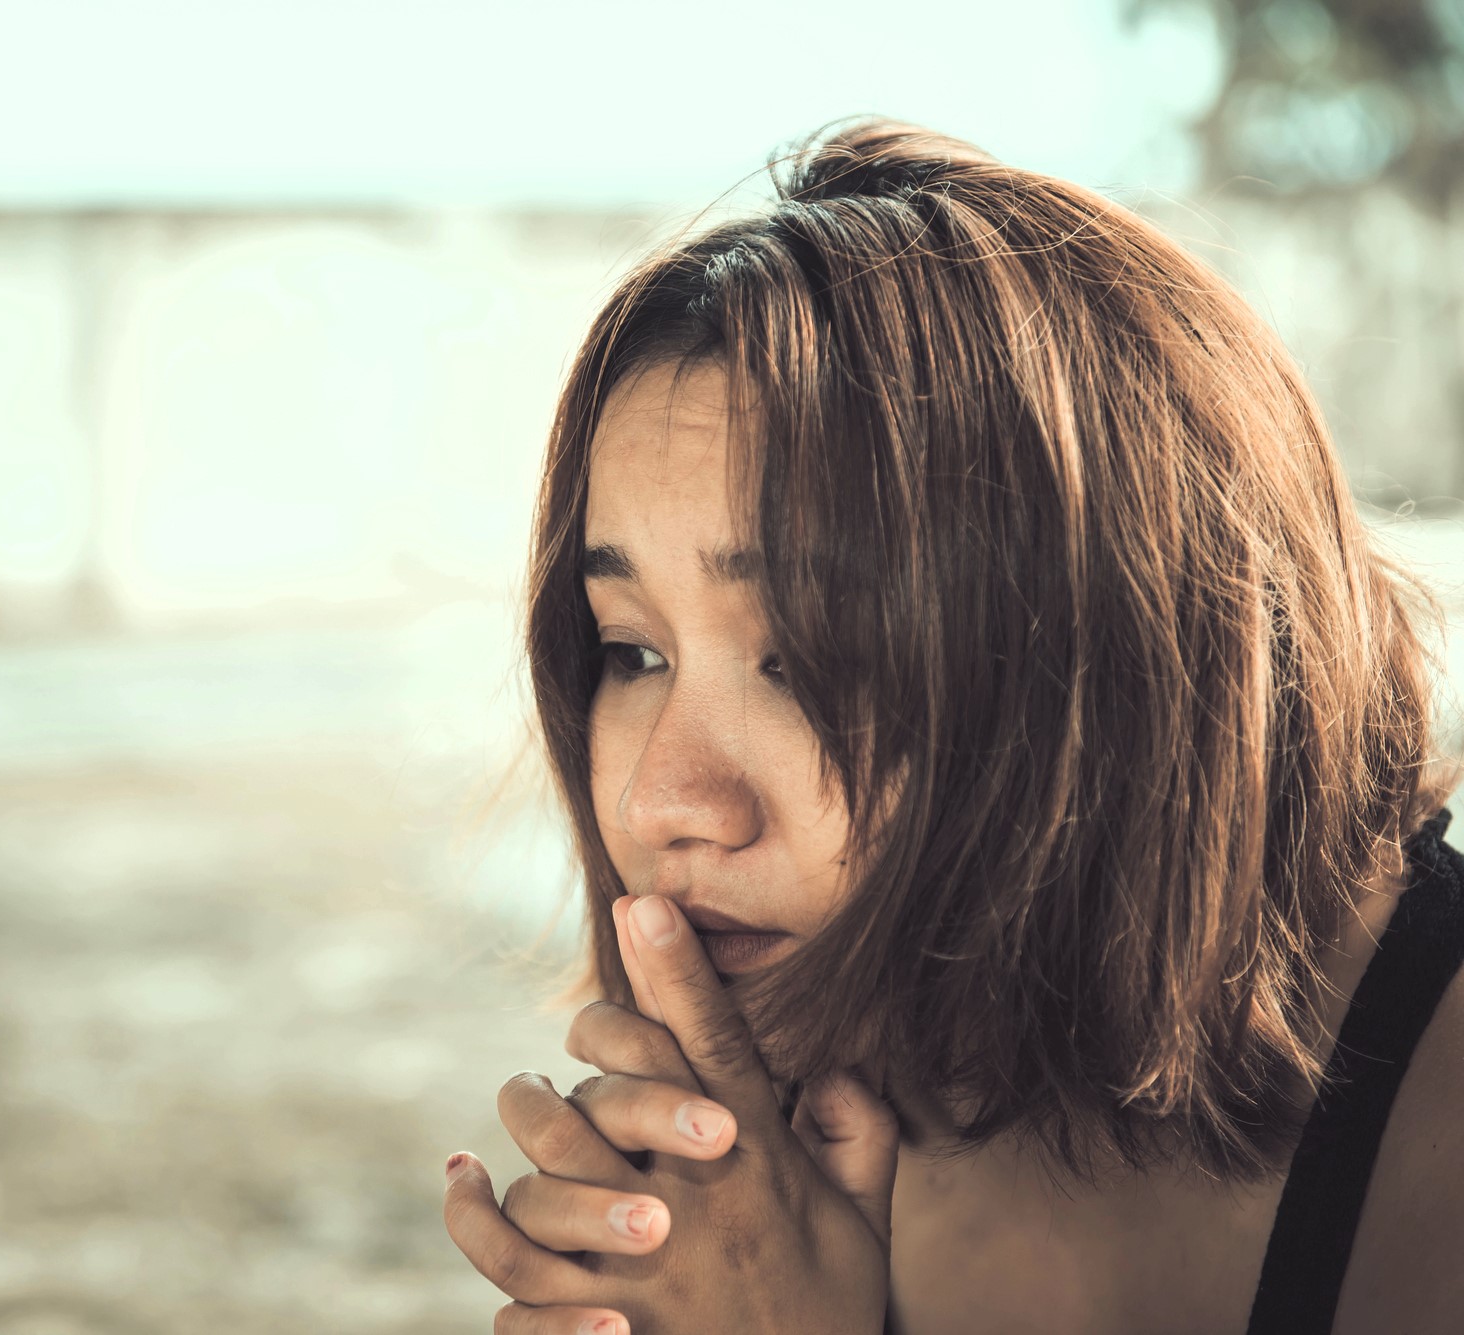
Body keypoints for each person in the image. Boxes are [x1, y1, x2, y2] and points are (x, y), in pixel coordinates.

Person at [438, 120, 1464, 1334]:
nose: (665, 801)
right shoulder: (745, 1180)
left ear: (1112, 656)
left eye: (814, 659)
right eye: (632, 653)